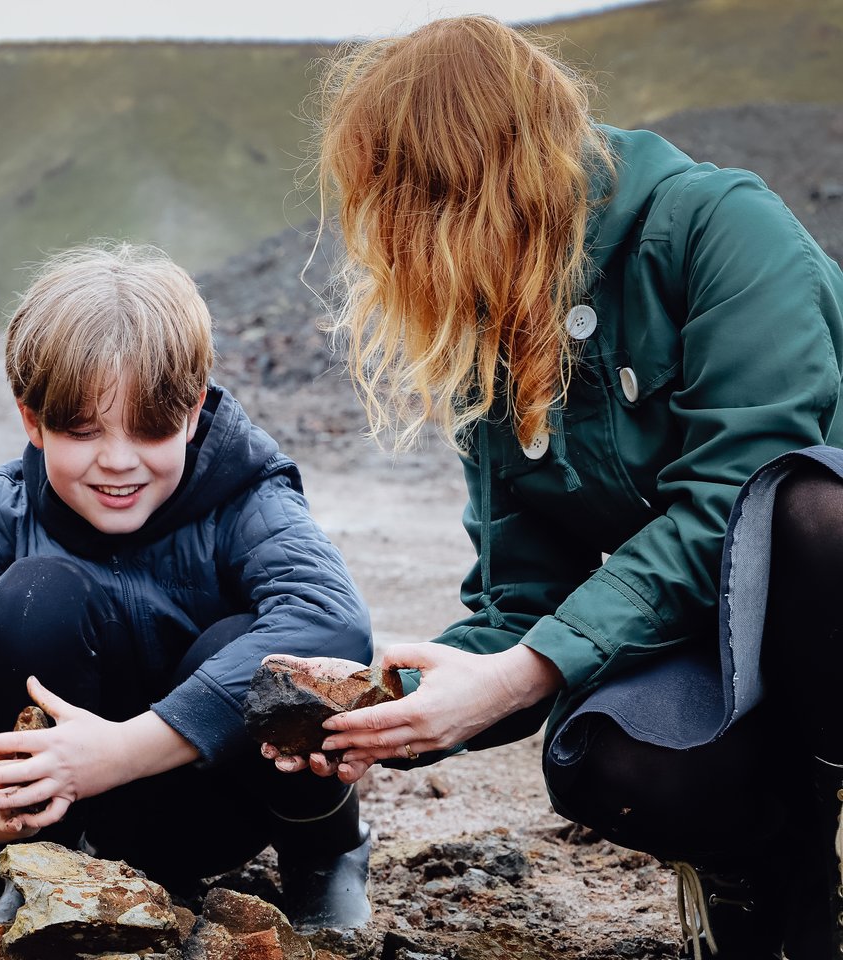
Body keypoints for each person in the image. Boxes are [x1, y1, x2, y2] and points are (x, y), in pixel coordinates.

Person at [266, 16, 843, 960]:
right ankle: (759, 872)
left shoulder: (720, 229)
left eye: (405, 198)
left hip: (827, 606)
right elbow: (523, 602)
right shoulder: (496, 333)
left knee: (815, 515)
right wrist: (392, 711)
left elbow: (740, 510)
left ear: (477, 176)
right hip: (720, 641)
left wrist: (526, 669)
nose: (390, 237)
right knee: (606, 756)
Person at [0, 242, 375, 931]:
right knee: (33, 597)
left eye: (151, 429)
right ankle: (46, 866)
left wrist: (124, 749)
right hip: (71, 817)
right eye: (83, 432)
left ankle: (326, 855)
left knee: (268, 652)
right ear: (32, 419)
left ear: (195, 410)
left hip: (227, 811)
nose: (118, 462)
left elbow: (334, 622)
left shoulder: (247, 493)